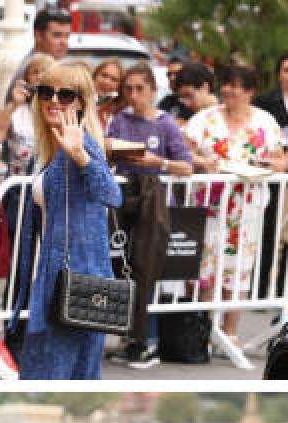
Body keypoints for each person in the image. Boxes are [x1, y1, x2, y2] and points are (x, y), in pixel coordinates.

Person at [9, 62, 122, 379]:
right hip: (67, 279)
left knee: (47, 375)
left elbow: (112, 195)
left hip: (74, 281)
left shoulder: (81, 144)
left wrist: (81, 157)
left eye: (66, 94)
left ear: (83, 102)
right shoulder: (53, 149)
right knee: (76, 376)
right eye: (46, 92)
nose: (54, 100)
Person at [184, 62, 288, 344]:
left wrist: (268, 164)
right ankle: (203, 330)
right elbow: (185, 155)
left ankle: (230, 332)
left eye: (237, 86)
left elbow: (282, 161)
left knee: (239, 268)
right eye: (227, 84)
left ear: (250, 92)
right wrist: (203, 163)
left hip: (247, 208)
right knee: (205, 268)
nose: (229, 90)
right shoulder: (204, 119)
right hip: (209, 204)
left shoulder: (265, 122)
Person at [105, 63, 196, 369]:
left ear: (153, 90)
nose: (133, 95)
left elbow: (186, 165)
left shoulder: (165, 124)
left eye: (139, 88)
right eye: (128, 88)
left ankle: (146, 340)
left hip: (153, 201)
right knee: (122, 266)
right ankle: (126, 337)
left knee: (147, 269)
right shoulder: (119, 120)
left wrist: (159, 162)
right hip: (123, 200)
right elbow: (108, 153)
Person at [252, 52, 288, 300]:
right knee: (269, 233)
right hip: (276, 178)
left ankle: (284, 290)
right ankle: (259, 289)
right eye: (286, 70)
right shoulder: (265, 104)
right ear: (279, 74)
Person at [0, 53, 55, 178]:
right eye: (35, 72)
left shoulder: (63, 112)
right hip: (19, 190)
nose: (40, 76)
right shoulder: (18, 112)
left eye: (46, 72)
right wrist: (14, 105)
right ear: (26, 80)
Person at [93, 58, 125, 133]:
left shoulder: (122, 113)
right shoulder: (80, 103)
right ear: (95, 76)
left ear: (120, 86)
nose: (107, 82)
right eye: (104, 75)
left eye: (114, 79)